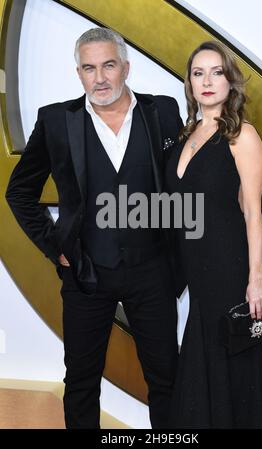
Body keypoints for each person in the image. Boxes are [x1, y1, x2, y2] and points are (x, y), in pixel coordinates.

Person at [6, 27, 183, 429]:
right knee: (82, 383)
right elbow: (19, 193)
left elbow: (183, 185)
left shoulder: (163, 113)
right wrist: (56, 247)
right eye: (89, 68)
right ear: (79, 73)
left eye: (108, 65)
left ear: (125, 68)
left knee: (167, 379)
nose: (100, 77)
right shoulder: (55, 121)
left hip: (153, 272)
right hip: (86, 275)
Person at [165, 40, 262, 428]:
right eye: (198, 73)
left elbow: (253, 212)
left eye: (216, 72)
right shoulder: (185, 135)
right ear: (189, 84)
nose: (206, 81)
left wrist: (256, 280)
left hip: (227, 266)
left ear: (230, 81)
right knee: (207, 359)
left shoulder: (241, 135)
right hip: (196, 270)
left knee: (234, 358)